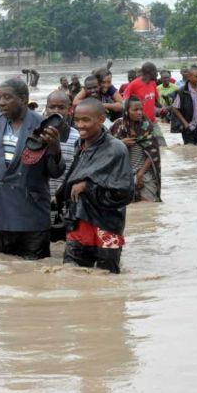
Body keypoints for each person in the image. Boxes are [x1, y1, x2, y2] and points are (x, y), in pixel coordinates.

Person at [0, 78, 66, 260]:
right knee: (1, 270)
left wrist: (55, 149)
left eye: (7, 97)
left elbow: (56, 172)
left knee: (33, 275)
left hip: (31, 214)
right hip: (0, 212)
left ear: (24, 99)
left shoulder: (43, 125)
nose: (1, 103)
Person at [59, 98, 134, 274]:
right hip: (79, 218)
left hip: (106, 223)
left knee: (108, 276)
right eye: (76, 120)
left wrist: (88, 186)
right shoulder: (81, 144)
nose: (80, 125)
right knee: (71, 272)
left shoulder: (116, 149)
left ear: (101, 120)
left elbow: (124, 192)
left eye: (86, 120)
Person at [44, 91, 80, 243]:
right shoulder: (38, 136)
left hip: (68, 203)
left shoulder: (77, 138)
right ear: (46, 109)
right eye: (52, 107)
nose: (56, 111)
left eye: (61, 107)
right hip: (43, 203)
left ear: (69, 110)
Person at [110, 96, 161, 202]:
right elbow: (105, 147)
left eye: (141, 109)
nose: (139, 112)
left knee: (149, 207)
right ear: (127, 111)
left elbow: (153, 152)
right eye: (135, 110)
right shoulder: (117, 126)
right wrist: (120, 143)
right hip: (121, 174)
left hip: (144, 173)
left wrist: (140, 174)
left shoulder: (147, 126)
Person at [171, 66, 197, 145]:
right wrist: (185, 123)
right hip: (189, 126)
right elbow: (175, 108)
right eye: (196, 77)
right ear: (189, 77)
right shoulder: (182, 91)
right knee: (189, 148)